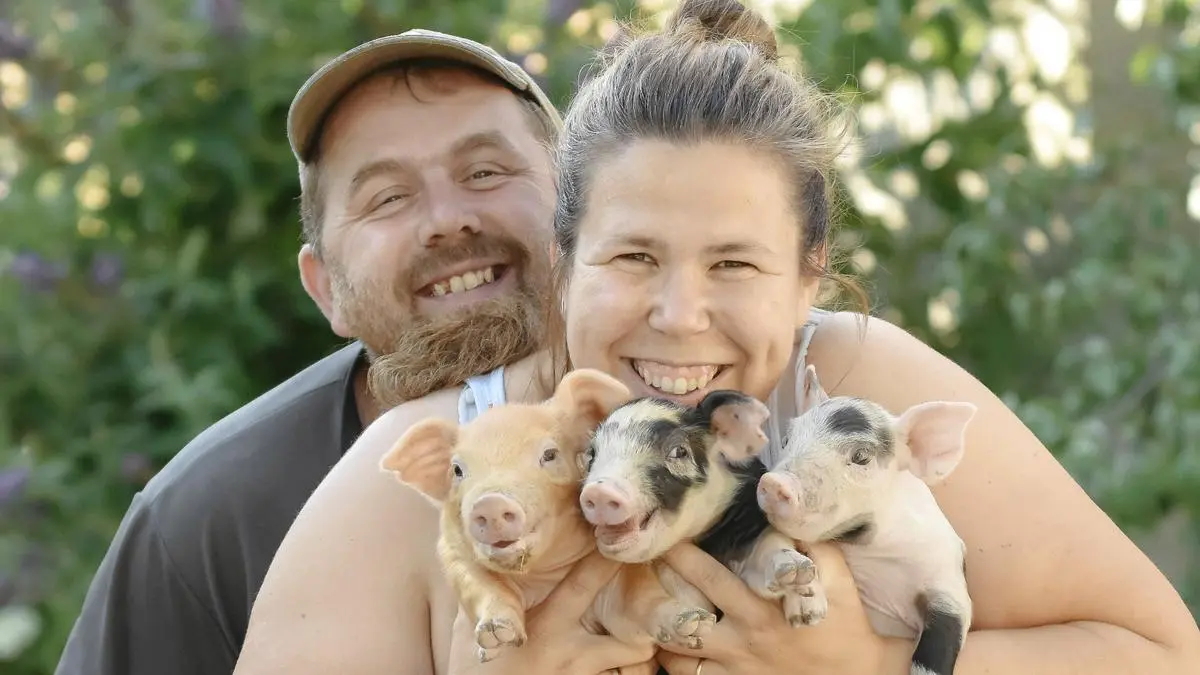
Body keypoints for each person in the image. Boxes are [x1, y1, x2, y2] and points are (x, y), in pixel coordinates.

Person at [233, 1, 1200, 674]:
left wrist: (864, 663)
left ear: (809, 274)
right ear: (565, 261)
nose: (680, 314)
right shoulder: (439, 467)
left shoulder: (850, 392)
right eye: (635, 259)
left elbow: (1159, 654)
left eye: (734, 265)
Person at [53, 30, 563, 675]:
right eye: (388, 197)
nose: (446, 217)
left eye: (484, 172)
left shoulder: (687, 411)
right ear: (327, 292)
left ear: (585, 206)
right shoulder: (210, 517)